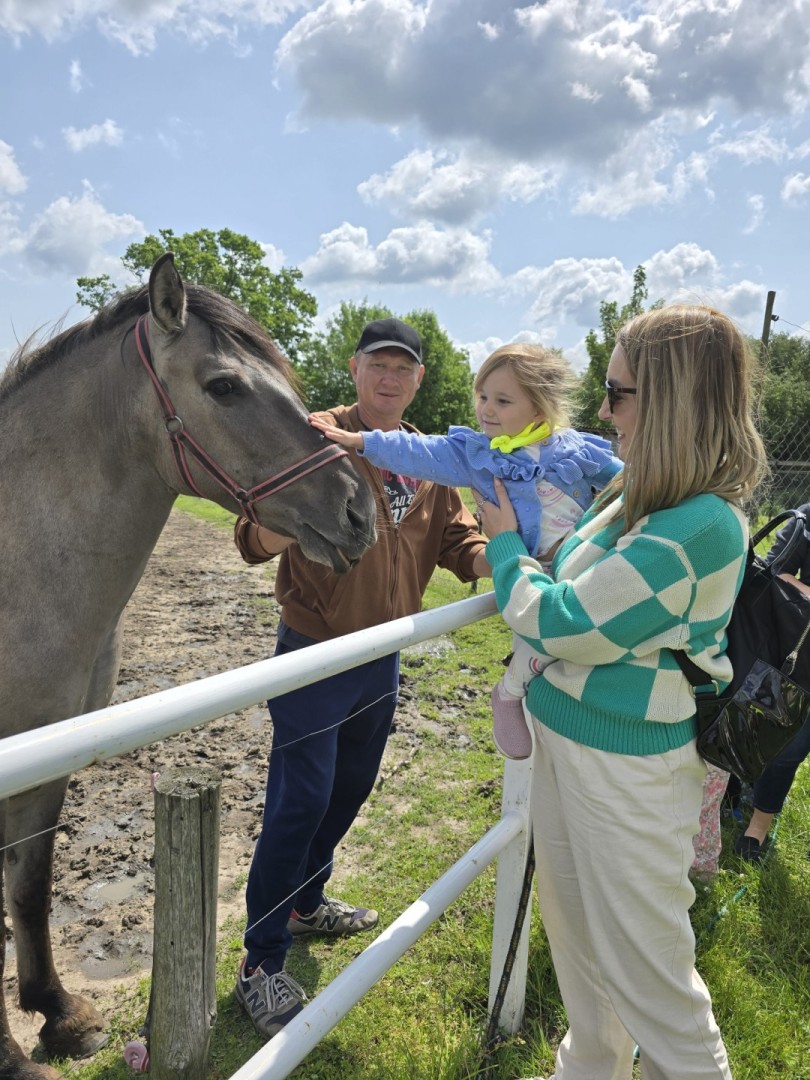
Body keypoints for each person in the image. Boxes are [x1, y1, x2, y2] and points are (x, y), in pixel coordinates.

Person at [477, 305, 767, 1080]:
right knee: (580, 955)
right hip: (570, 745)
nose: (604, 411)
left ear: (673, 400)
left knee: (653, 982)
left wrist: (503, 545)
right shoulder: (636, 491)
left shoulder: (702, 525)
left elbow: (565, 621)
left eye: (618, 392)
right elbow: (568, 578)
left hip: (627, 773)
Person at [231, 317, 490, 1038]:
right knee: (301, 799)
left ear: (418, 380)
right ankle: (261, 959)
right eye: (379, 364)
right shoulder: (313, 437)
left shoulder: (429, 457)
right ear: (354, 369)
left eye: (403, 368)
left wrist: (502, 562)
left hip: (384, 652)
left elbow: (457, 540)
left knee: (349, 788)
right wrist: (291, 521)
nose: (390, 378)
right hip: (315, 652)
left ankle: (306, 902)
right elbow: (249, 538)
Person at [311, 343, 621, 760]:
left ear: (539, 409)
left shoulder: (575, 449)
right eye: (482, 396)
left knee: (588, 634)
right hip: (535, 575)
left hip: (587, 562)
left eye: (503, 401)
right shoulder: (476, 456)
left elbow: (629, 484)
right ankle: (509, 692)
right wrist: (362, 442)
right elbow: (418, 452)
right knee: (541, 639)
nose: (487, 410)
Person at [735, 504, 810, 862]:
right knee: (788, 745)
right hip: (800, 654)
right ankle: (757, 825)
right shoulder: (807, 518)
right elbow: (775, 570)